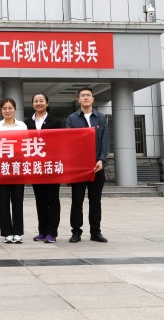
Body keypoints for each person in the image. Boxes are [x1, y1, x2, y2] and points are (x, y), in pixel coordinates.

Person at [64, 87, 110, 243]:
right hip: (79, 168)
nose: (85, 98)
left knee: (95, 201)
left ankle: (95, 232)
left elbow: (105, 141)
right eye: (82, 95)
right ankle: (76, 232)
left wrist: (101, 160)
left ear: (93, 99)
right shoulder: (72, 119)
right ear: (78, 99)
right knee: (77, 201)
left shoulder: (101, 118)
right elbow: (70, 141)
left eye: (88, 95)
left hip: (97, 166)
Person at [23, 93, 63, 244]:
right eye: (36, 101)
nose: (38, 103)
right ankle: (42, 231)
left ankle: (52, 232)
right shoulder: (27, 123)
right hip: (36, 167)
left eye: (41, 101)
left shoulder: (55, 121)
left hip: (51, 166)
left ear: (47, 103)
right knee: (40, 200)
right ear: (32, 104)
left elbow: (61, 142)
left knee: (52, 200)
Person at [0, 98, 27, 244]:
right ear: (1, 110)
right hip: (2, 168)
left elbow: (26, 145)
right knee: (3, 202)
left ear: (15, 110)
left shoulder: (22, 126)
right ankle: (7, 233)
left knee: (18, 202)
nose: (7, 111)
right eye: (5, 108)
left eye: (10, 108)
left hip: (18, 168)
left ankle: (17, 232)